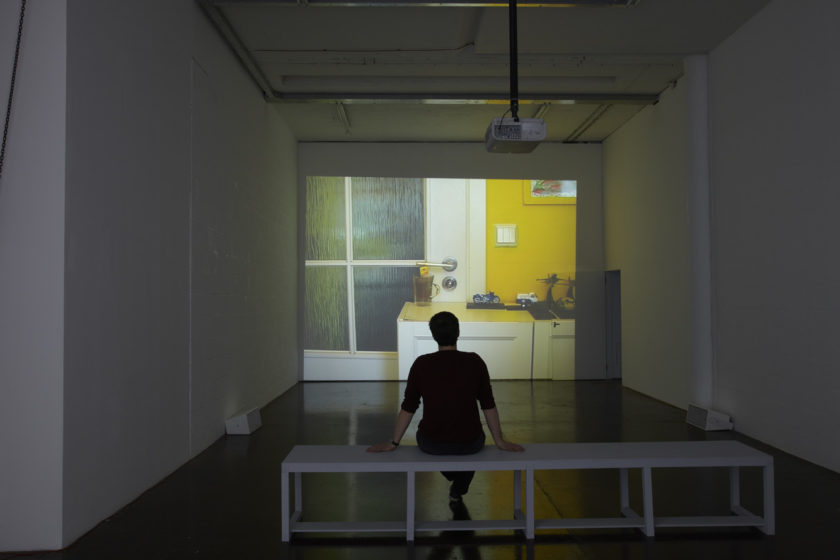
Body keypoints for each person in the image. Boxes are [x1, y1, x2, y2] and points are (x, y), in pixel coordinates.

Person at [367, 311, 524, 503]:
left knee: (444, 450)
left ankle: (457, 481)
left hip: (431, 443)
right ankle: (459, 485)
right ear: (458, 332)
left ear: (434, 335)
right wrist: (499, 440)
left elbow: (409, 407)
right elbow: (488, 404)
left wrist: (394, 442)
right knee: (466, 451)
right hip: (471, 442)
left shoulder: (421, 364)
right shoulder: (475, 362)